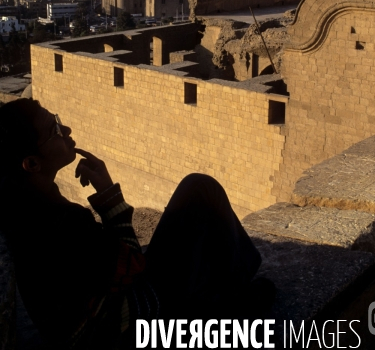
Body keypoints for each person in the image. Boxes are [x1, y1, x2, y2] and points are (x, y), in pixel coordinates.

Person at [0, 98, 275, 349]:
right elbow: (132, 268)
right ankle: (234, 303)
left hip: (98, 321)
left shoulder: (23, 207)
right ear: (32, 163)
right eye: (55, 129)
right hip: (126, 330)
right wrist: (110, 198)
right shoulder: (62, 223)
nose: (67, 129)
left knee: (197, 190)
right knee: (201, 189)